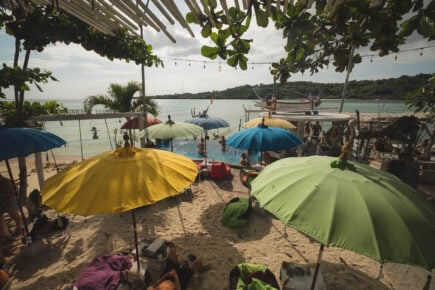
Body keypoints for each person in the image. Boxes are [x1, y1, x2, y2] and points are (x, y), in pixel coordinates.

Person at [0, 175, 25, 244]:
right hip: (5, 200)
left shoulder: (5, 181)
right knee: (1, 218)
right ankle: (7, 236)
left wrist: (8, 197)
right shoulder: (5, 180)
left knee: (15, 215)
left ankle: (20, 230)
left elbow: (13, 191)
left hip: (9, 200)